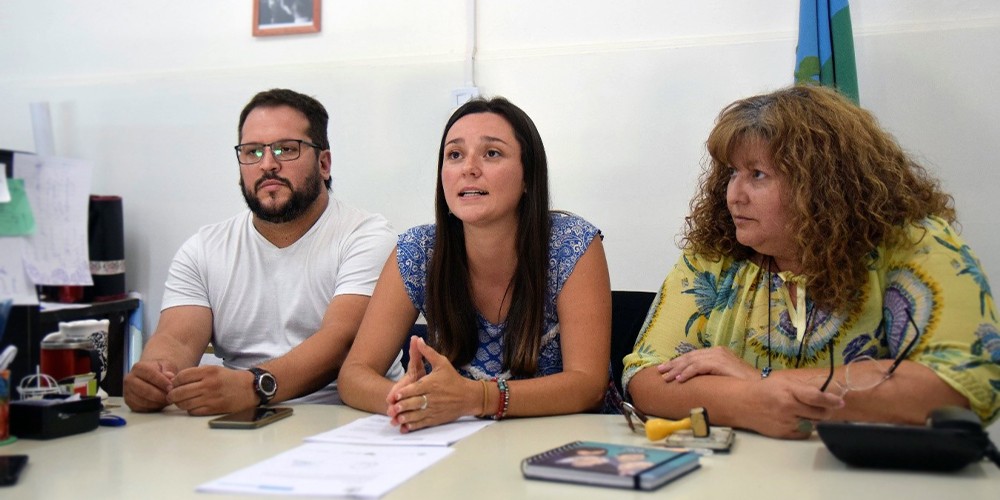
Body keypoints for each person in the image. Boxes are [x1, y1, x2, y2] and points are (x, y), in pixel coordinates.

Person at [623, 84, 1000, 439]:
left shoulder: (915, 244)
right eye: (732, 173)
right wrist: (750, 403)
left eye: (757, 174)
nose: (734, 195)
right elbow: (644, 377)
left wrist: (761, 382)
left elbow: (957, 382)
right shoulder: (713, 257)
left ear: (819, 184)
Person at [338, 97, 613, 432]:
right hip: (460, 447)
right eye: (455, 155)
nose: (468, 168)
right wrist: (409, 400)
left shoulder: (573, 244)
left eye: (491, 153)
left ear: (528, 177)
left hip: (567, 448)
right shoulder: (418, 250)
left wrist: (477, 398)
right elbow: (354, 375)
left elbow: (588, 385)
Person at [124, 88, 398, 415]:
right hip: (240, 419)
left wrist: (255, 385)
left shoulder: (365, 236)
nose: (267, 164)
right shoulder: (203, 249)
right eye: (252, 152)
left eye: (286, 149)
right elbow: (177, 341)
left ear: (324, 163)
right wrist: (155, 376)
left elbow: (341, 341)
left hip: (345, 419)